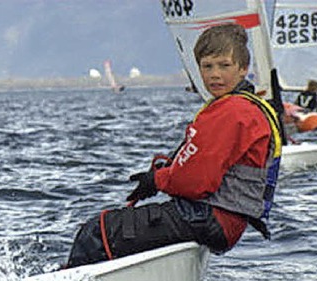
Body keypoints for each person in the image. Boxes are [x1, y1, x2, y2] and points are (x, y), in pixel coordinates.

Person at [66, 23, 283, 268]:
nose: (214, 74)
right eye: (207, 66)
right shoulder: (247, 107)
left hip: (212, 218)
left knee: (96, 231)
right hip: (224, 220)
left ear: (243, 69)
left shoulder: (232, 111)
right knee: (119, 228)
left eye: (224, 65)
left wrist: (157, 181)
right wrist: (162, 175)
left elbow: (197, 181)